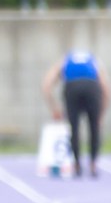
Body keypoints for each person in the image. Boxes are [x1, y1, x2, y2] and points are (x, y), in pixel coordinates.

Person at [42, 48, 107, 179]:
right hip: (92, 88)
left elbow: (47, 85)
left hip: (72, 87)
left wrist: (54, 108)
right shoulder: (94, 60)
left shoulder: (64, 60)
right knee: (94, 127)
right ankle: (93, 163)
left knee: (74, 127)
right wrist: (102, 113)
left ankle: (77, 164)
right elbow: (106, 88)